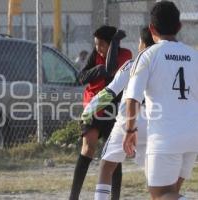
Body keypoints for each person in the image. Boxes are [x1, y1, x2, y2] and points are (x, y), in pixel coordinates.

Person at [123, 1, 198, 200]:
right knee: (171, 193)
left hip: (166, 138)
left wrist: (130, 130)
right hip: (193, 136)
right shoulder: (194, 55)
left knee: (162, 195)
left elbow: (132, 99)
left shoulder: (148, 55)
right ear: (179, 26)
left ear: (152, 28)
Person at [81, 26, 155, 200]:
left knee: (106, 166)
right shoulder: (163, 66)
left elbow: (110, 91)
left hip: (128, 123)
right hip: (154, 124)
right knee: (155, 176)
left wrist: (89, 109)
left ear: (143, 44)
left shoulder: (132, 64)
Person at [69, 25, 132, 200]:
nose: (98, 48)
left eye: (102, 44)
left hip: (114, 108)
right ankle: (73, 197)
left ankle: (115, 197)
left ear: (113, 44)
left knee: (113, 154)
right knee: (88, 147)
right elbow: (81, 77)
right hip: (94, 105)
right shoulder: (95, 55)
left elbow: (111, 68)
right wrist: (99, 70)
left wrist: (115, 42)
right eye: (96, 44)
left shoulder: (125, 55)